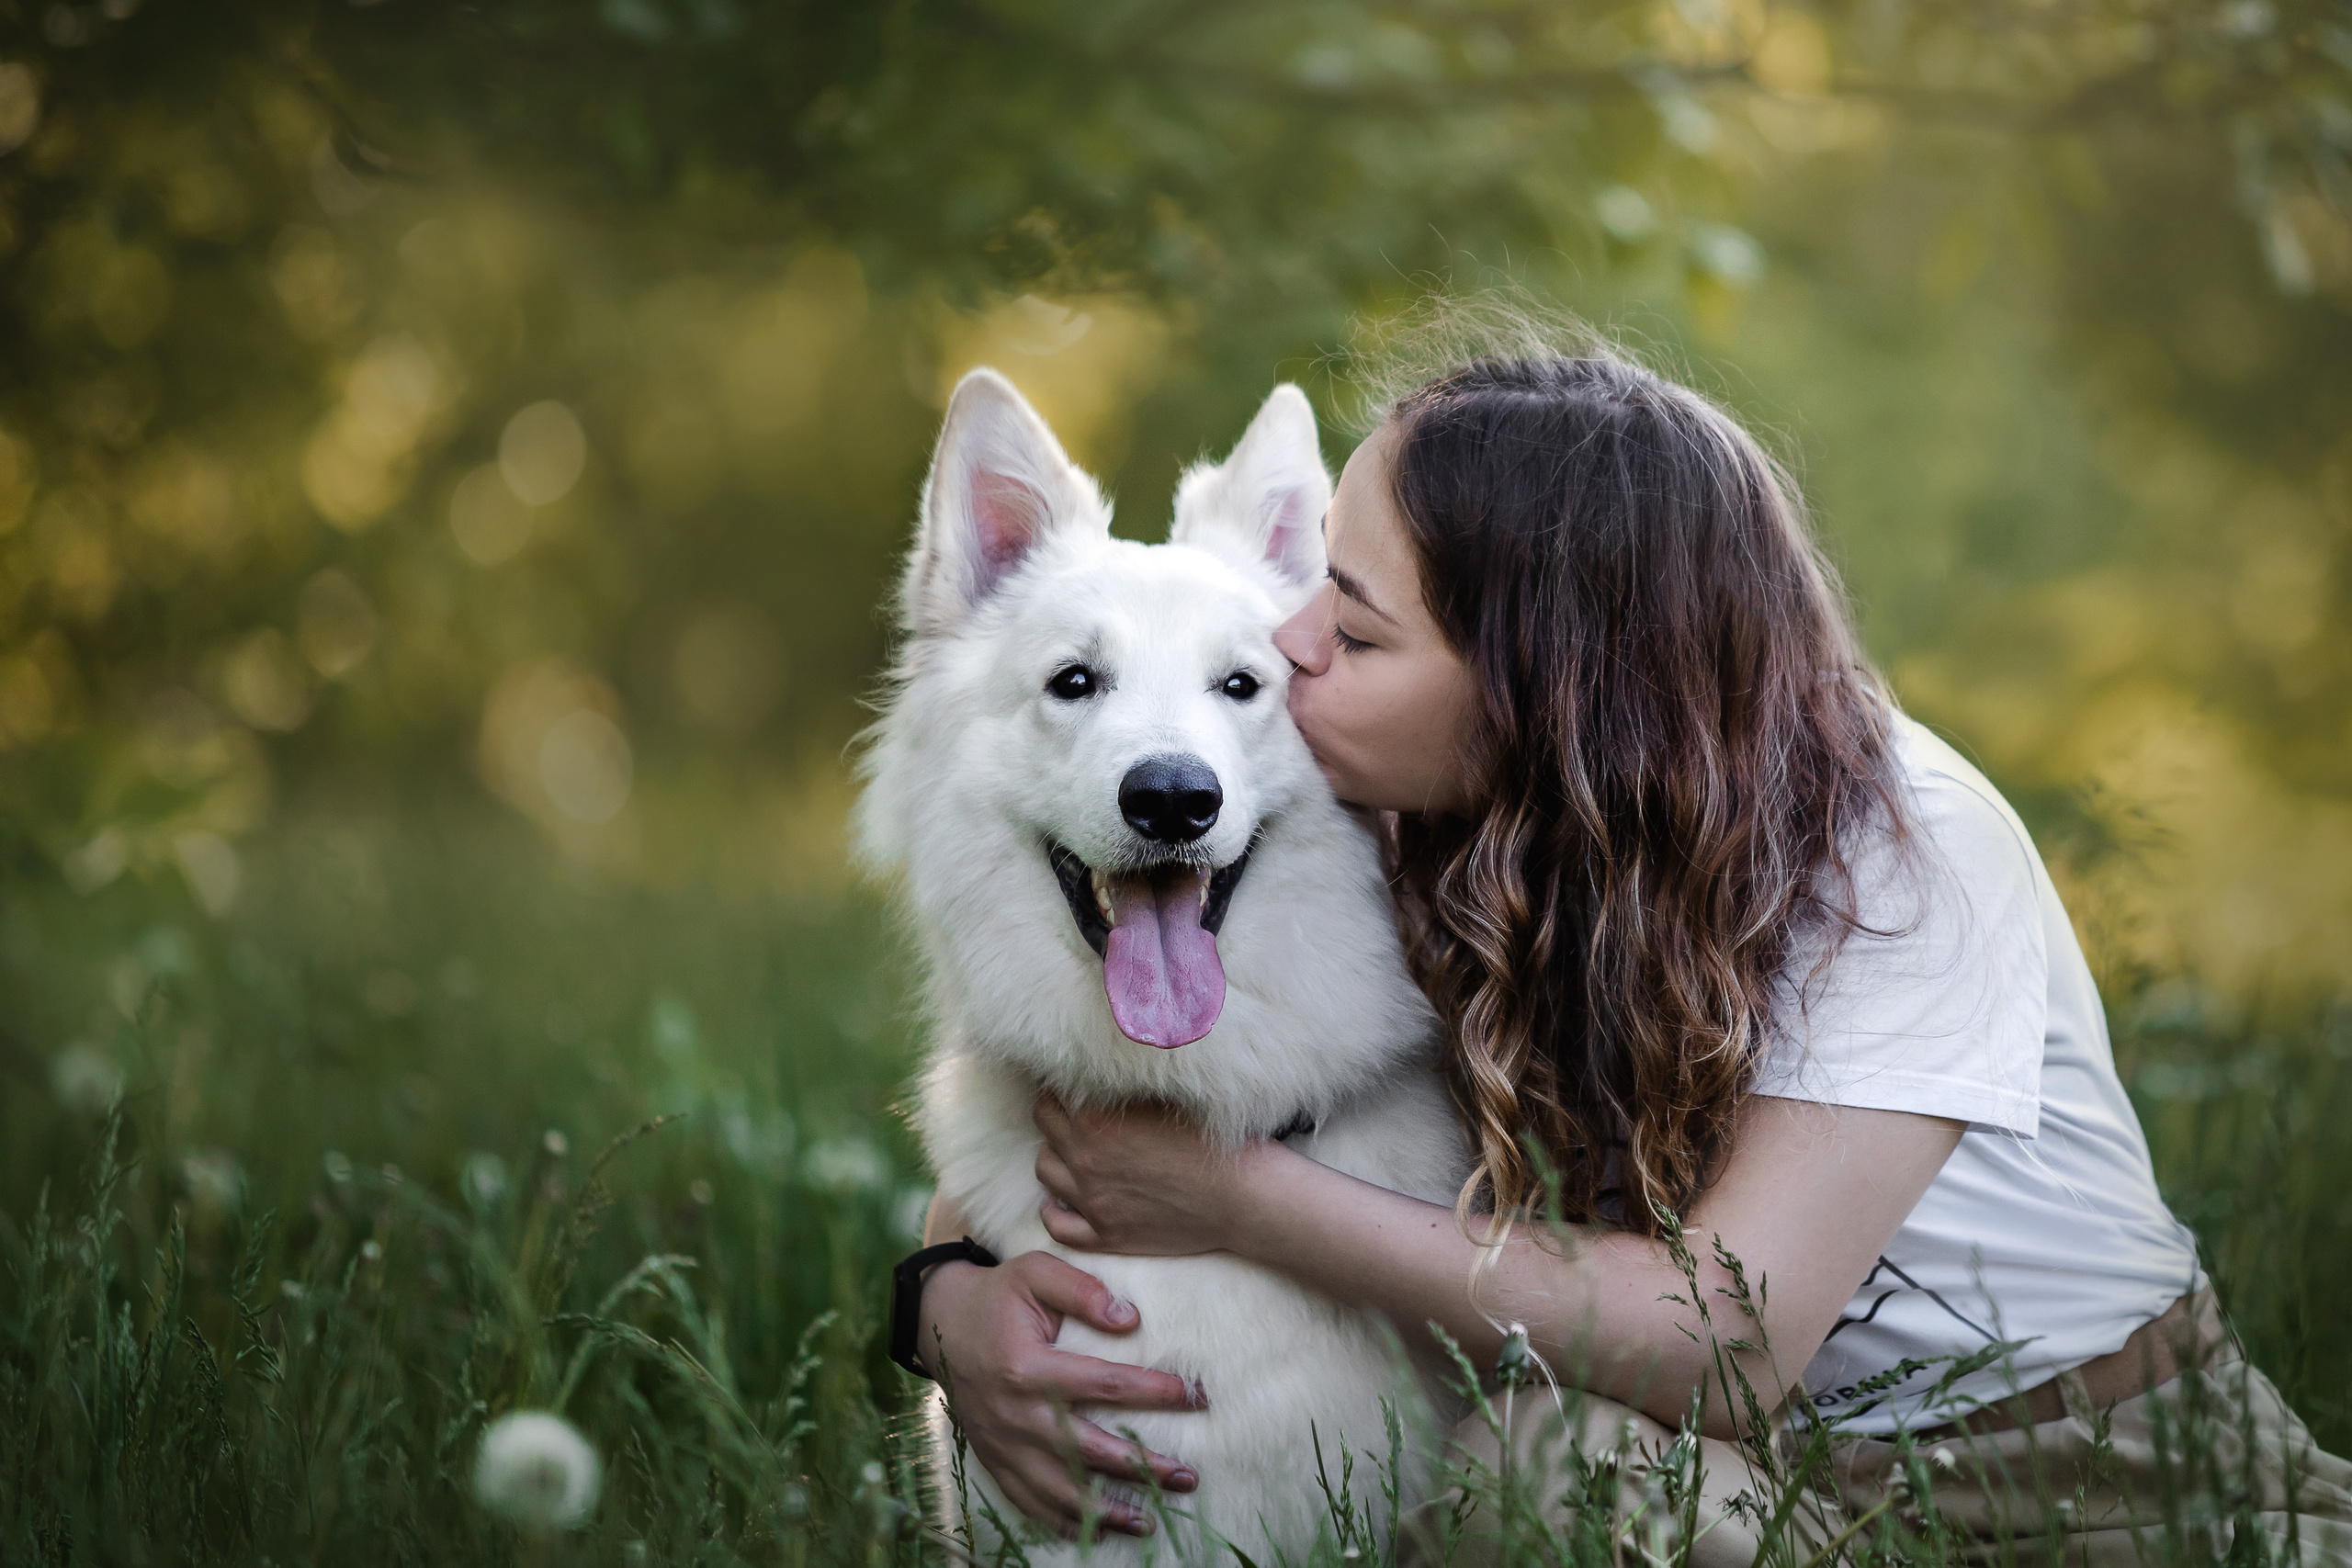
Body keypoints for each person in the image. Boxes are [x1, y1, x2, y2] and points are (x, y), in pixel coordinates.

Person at [905, 311, 2352, 1563]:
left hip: (2095, 1478)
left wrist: (1243, 1206)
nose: (1285, 651)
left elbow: (1726, 1342)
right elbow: (1077, 1058)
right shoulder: (1388, 804)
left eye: (1348, 626)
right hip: (1737, 1470)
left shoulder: (1901, 846)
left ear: (1541, 677)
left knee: (1543, 1476)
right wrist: (946, 1305)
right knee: (1540, 1477)